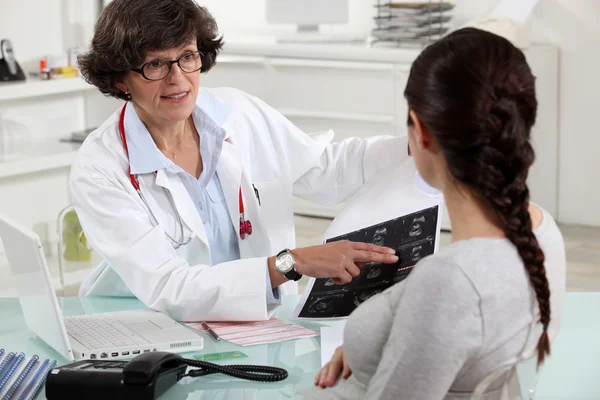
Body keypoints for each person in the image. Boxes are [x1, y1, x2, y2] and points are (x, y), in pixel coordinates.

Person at [70, 0, 403, 322]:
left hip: (256, 323)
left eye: (187, 57)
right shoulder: (100, 167)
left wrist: (417, 144)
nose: (178, 78)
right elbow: (170, 287)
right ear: (119, 79)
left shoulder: (237, 113)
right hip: (149, 326)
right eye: (155, 65)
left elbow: (324, 169)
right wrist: (291, 263)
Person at [307, 28, 566, 399]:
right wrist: (382, 348)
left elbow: (449, 300)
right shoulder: (543, 230)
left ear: (422, 132)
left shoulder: (450, 281)